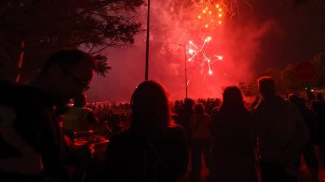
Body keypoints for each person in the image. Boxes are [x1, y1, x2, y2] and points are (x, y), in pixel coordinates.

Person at [0, 49, 96, 181]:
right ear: (56, 72)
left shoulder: (28, 104)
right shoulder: (32, 112)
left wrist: (69, 155)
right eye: (78, 83)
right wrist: (77, 167)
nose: (79, 92)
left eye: (84, 86)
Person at [105, 80, 188, 182]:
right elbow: (181, 169)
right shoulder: (176, 134)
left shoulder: (119, 141)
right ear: (164, 105)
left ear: (135, 106)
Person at [253, 77, 309, 182]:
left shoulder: (259, 111)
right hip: (290, 160)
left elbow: (254, 135)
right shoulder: (290, 107)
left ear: (260, 91)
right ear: (274, 88)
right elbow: (304, 134)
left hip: (270, 161)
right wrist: (292, 151)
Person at [209, 86, 257, 182]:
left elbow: (213, 133)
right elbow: (252, 136)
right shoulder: (248, 115)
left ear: (224, 97)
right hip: (242, 154)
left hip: (222, 154)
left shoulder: (217, 114)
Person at [188, 103, 212, 181]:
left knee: (197, 155)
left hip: (196, 138)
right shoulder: (206, 117)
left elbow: (190, 127)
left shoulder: (193, 117)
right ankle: (209, 168)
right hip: (205, 138)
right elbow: (210, 125)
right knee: (207, 154)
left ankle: (198, 169)